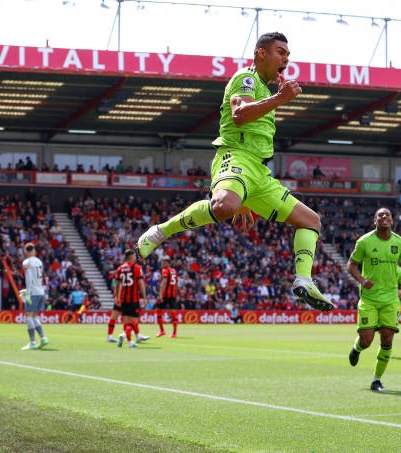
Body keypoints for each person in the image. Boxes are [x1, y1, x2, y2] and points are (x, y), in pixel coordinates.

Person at [136, 32, 333, 312]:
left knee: (311, 220)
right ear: (261, 53)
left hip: (259, 173)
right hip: (236, 156)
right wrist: (280, 99)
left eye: (288, 54)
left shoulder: (265, 87)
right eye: (280, 52)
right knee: (224, 205)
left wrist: (246, 194)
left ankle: (304, 281)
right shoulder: (246, 78)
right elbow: (240, 115)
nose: (286, 58)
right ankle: (160, 232)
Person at [346, 207, 401, 392]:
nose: (384, 217)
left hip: (391, 299)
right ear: (374, 221)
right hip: (369, 299)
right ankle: (357, 348)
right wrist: (362, 280)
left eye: (387, 215)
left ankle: (376, 380)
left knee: (387, 339)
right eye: (380, 215)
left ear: (392, 220)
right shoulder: (364, 241)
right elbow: (351, 265)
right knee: (367, 340)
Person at [114, 249, 150, 348]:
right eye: (134, 256)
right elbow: (141, 283)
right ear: (131, 257)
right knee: (134, 321)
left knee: (126, 321)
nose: (135, 258)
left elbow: (117, 284)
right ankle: (124, 335)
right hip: (133, 299)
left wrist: (117, 297)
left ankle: (130, 342)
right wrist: (144, 296)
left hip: (123, 299)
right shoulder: (137, 268)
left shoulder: (120, 268)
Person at [20, 243, 49, 350]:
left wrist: (28, 293)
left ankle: (32, 342)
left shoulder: (26, 262)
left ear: (26, 251)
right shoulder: (39, 261)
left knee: (28, 316)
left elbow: (28, 278)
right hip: (41, 291)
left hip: (32, 292)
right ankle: (43, 338)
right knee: (34, 316)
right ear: (34, 251)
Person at [155, 258, 180, 338]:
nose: (162, 264)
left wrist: (160, 295)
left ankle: (162, 331)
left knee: (158, 311)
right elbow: (176, 283)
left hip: (165, 295)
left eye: (163, 263)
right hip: (173, 295)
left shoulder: (165, 270)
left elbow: (164, 282)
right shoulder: (174, 271)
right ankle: (174, 333)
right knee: (173, 314)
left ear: (167, 263)